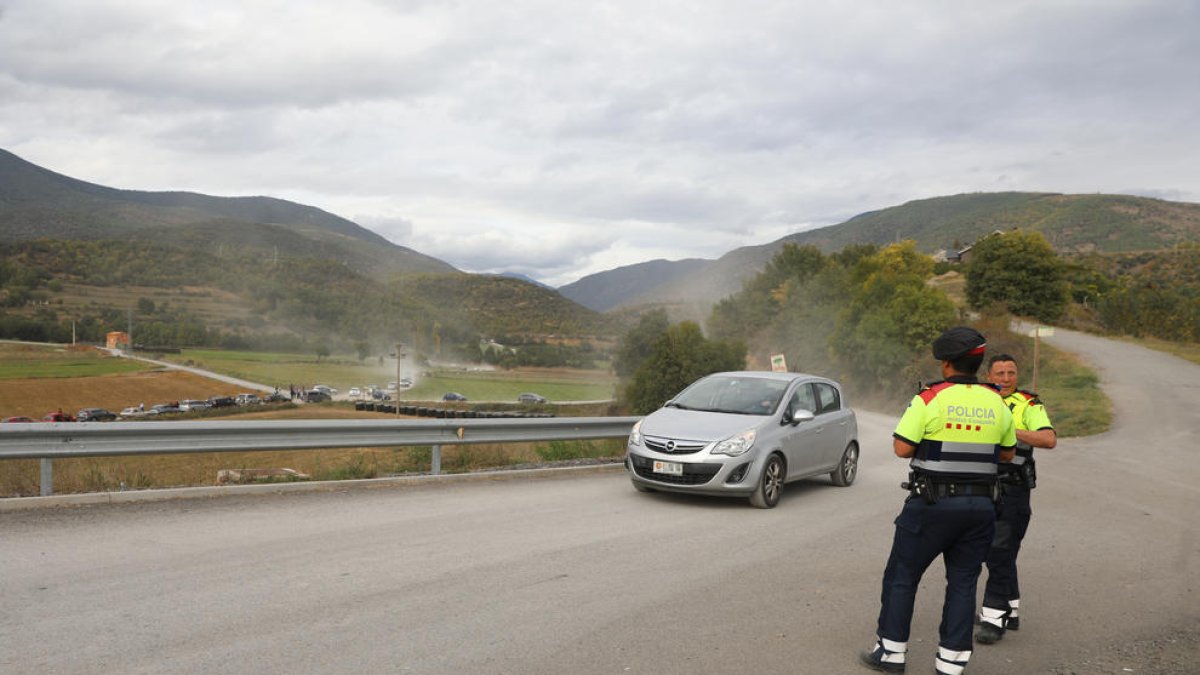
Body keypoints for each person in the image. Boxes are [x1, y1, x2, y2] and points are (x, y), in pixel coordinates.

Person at [860, 326, 1016, 674]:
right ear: (978, 364)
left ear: (946, 364)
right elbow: (1006, 455)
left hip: (932, 505)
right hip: (980, 509)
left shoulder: (929, 398)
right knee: (963, 582)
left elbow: (902, 448)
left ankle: (891, 652)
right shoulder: (997, 400)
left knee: (902, 576)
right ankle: (952, 662)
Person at [975, 354, 1057, 644]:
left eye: (1011, 372)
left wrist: (1011, 431)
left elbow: (1048, 440)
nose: (1006, 378)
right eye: (1000, 373)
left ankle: (993, 618)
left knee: (999, 551)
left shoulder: (1028, 403)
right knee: (995, 551)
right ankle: (1010, 607)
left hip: (1013, 489)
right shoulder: (979, 399)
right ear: (989, 375)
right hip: (980, 486)